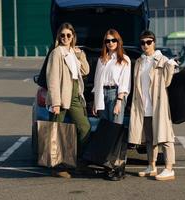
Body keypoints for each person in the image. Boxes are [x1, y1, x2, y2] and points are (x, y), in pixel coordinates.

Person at [128, 30, 178, 181]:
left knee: (165, 137)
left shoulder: (162, 60)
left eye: (148, 42)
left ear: (154, 43)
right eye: (143, 42)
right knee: (149, 139)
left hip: (158, 105)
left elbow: (167, 82)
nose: (145, 45)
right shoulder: (139, 61)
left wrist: (170, 66)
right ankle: (152, 166)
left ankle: (169, 168)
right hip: (144, 106)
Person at [46, 22, 91, 178]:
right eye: (62, 35)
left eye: (68, 35)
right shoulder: (57, 52)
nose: (65, 38)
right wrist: (55, 102)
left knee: (84, 127)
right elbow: (52, 78)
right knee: (56, 131)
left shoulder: (73, 52)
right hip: (61, 94)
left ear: (73, 37)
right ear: (59, 36)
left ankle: (79, 162)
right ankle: (57, 167)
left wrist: (80, 55)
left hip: (75, 94)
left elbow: (85, 70)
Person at [92, 29, 131, 181]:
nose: (110, 43)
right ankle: (108, 166)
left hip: (116, 95)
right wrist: (96, 102)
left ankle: (119, 167)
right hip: (102, 95)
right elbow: (97, 81)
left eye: (113, 40)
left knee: (117, 131)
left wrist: (119, 101)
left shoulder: (124, 59)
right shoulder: (102, 59)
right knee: (106, 133)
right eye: (107, 41)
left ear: (118, 41)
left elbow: (125, 82)